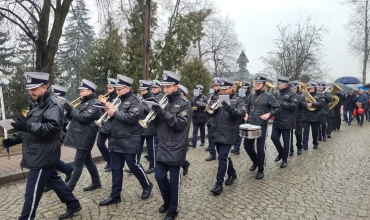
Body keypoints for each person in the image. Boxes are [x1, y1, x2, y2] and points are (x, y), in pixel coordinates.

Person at [2, 72, 81, 219]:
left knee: (31, 193)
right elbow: (31, 126)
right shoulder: (36, 102)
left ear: (45, 87)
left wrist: (26, 127)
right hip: (39, 151)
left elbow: (52, 129)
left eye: (34, 89)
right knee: (55, 180)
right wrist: (15, 139)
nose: (31, 92)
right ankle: (73, 203)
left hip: (43, 154)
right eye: (29, 89)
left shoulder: (53, 105)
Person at [99, 75, 153, 206]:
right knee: (116, 169)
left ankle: (147, 185)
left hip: (130, 140)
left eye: (119, 89)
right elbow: (113, 118)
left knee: (134, 166)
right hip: (116, 140)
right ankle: (115, 195)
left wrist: (114, 113)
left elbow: (132, 118)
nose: (117, 92)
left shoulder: (136, 102)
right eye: (116, 89)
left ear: (127, 88)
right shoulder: (118, 101)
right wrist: (107, 108)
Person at [151, 71, 191, 220]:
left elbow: (179, 124)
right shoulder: (164, 100)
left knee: (174, 182)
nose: (165, 90)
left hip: (176, 147)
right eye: (164, 87)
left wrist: (162, 113)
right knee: (159, 176)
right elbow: (158, 124)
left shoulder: (184, 104)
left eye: (168, 87)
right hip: (162, 145)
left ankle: (173, 209)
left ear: (176, 86)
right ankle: (167, 201)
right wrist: (154, 114)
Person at [208, 77, 246, 195]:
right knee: (223, 156)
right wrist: (209, 107)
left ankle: (219, 184)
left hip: (229, 133)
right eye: (221, 89)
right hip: (216, 131)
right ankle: (232, 173)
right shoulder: (216, 97)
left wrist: (229, 107)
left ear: (231, 88)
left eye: (225, 89)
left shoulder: (238, 100)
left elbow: (241, 114)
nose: (222, 91)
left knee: (222, 157)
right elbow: (209, 113)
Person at [63, 79, 102, 192]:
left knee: (78, 162)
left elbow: (83, 118)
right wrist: (69, 112)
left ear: (89, 91)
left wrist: (72, 110)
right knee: (88, 159)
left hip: (86, 136)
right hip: (81, 135)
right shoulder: (83, 102)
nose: (80, 93)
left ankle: (69, 188)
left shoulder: (95, 104)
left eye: (82, 91)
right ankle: (96, 182)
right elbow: (75, 116)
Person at [244, 74, 281, 179]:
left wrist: (269, 114)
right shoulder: (251, 96)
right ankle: (256, 161)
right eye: (256, 83)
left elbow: (278, 108)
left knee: (260, 148)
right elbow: (246, 106)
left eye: (259, 83)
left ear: (264, 85)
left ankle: (260, 169)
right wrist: (246, 113)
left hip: (261, 125)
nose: (257, 85)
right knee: (247, 146)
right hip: (250, 124)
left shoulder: (269, 96)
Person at [44, 85, 74, 193]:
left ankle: (52, 181)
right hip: (52, 132)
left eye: (54, 93)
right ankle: (66, 170)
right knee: (49, 158)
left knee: (49, 158)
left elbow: (65, 120)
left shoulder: (62, 102)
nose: (52, 95)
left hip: (57, 133)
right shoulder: (56, 102)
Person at [271, 76, 298, 168]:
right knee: (274, 137)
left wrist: (280, 103)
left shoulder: (293, 94)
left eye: (279, 84)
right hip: (277, 120)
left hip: (287, 121)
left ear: (284, 84)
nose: (278, 85)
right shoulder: (276, 94)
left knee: (286, 142)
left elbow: (293, 106)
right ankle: (281, 152)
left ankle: (284, 159)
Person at [96, 78, 118, 172]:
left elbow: (115, 110)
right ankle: (108, 160)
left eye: (110, 88)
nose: (108, 90)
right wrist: (100, 104)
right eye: (108, 88)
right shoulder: (108, 98)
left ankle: (112, 163)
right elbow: (103, 110)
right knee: (99, 143)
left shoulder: (118, 98)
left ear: (115, 88)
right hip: (104, 124)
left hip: (112, 125)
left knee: (111, 146)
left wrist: (105, 103)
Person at [138, 79, 157, 174]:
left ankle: (153, 166)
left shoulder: (152, 99)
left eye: (143, 90)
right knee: (137, 148)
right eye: (140, 90)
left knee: (151, 149)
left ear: (147, 89)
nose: (141, 92)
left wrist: (141, 105)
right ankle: (136, 165)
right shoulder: (140, 98)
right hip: (140, 126)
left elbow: (152, 111)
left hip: (150, 127)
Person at [231, 80, 251, 155]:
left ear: (248, 88)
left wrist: (246, 113)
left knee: (240, 132)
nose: (244, 89)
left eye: (246, 88)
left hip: (246, 115)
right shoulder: (238, 96)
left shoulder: (250, 96)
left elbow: (249, 106)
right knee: (237, 131)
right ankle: (236, 147)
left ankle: (237, 147)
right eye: (243, 88)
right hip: (239, 114)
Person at [302, 82, 325, 150]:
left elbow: (321, 104)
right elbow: (301, 103)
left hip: (315, 116)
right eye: (309, 88)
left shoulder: (319, 95)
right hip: (306, 116)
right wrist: (305, 104)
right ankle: (304, 144)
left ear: (314, 88)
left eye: (311, 88)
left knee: (315, 132)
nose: (310, 89)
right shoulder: (305, 95)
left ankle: (315, 143)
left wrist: (312, 104)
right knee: (305, 131)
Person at [289, 81, 306, 156]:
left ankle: (299, 147)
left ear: (297, 88)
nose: (293, 89)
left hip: (299, 117)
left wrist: (297, 99)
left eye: (295, 88)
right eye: (292, 88)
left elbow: (304, 105)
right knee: (289, 134)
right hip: (289, 117)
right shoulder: (288, 95)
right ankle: (291, 149)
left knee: (298, 133)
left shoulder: (302, 96)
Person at [179, 84, 192, 176]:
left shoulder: (186, 104)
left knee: (178, 155)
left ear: (183, 94)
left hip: (182, 132)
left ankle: (184, 164)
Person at [205, 77, 220, 161]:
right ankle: (212, 153)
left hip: (218, 120)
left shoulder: (222, 95)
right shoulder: (212, 95)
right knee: (210, 137)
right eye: (214, 86)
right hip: (210, 119)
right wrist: (208, 103)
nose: (215, 87)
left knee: (217, 138)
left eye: (217, 86)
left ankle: (220, 153)